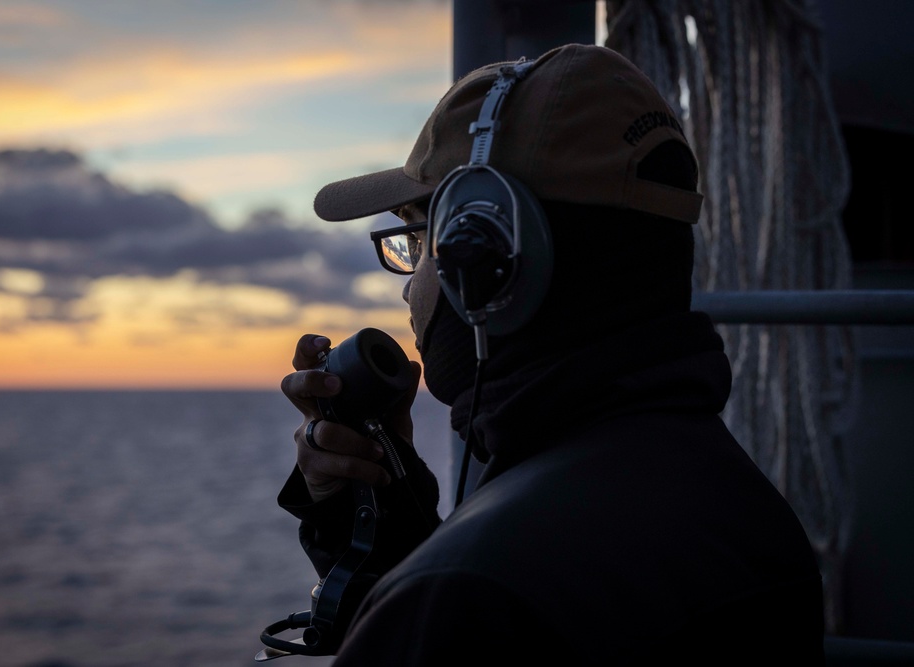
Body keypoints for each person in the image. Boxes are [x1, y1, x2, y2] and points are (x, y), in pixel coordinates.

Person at [275, 43, 825, 664]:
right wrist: (379, 506)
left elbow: (476, 607)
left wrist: (422, 590)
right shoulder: (749, 513)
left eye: (420, 237)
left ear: (487, 256)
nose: (408, 281)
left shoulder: (465, 597)